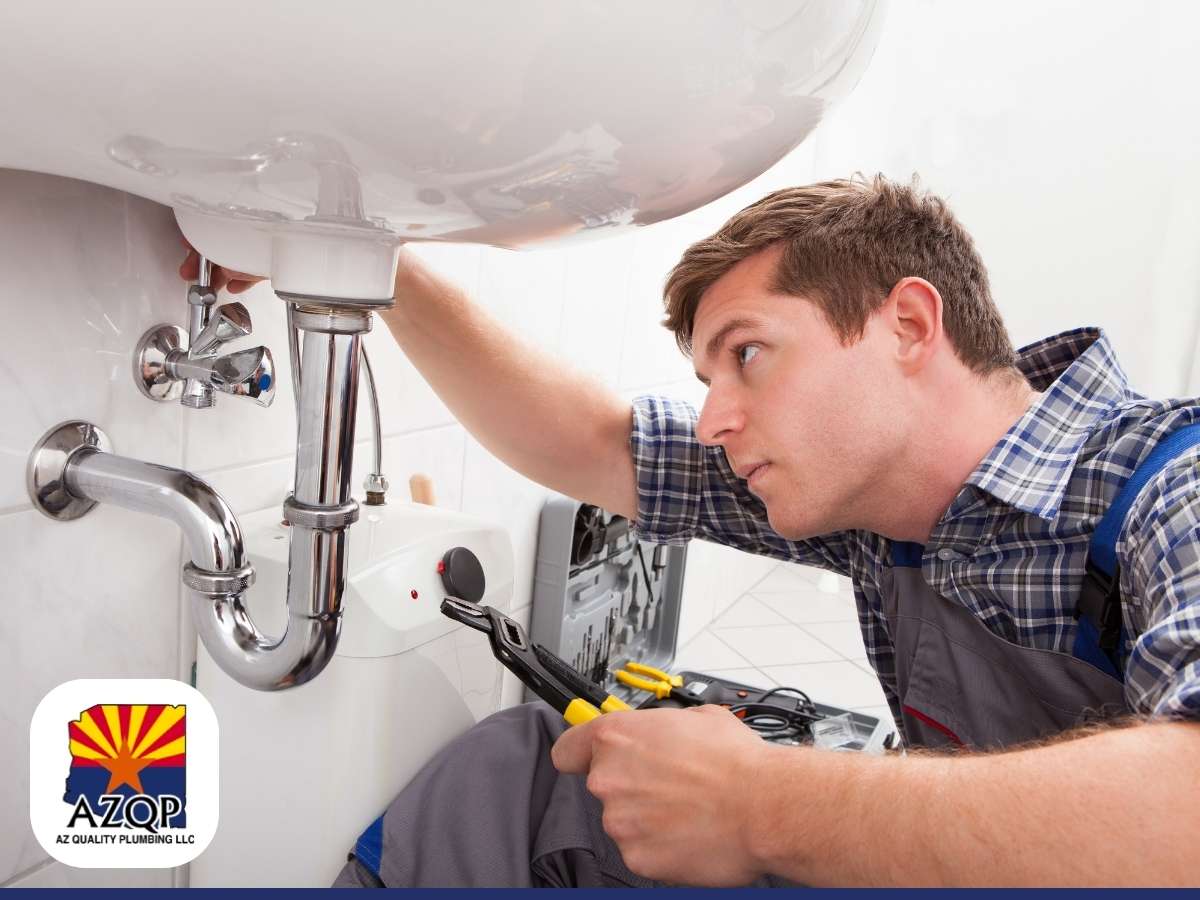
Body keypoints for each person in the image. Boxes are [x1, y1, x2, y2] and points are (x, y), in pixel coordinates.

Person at [181, 175, 1200, 887]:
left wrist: (764, 804)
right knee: (543, 777)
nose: (714, 419)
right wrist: (362, 260)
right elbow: (593, 441)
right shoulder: (878, 513)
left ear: (908, 326)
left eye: (746, 355)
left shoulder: (1173, 487)